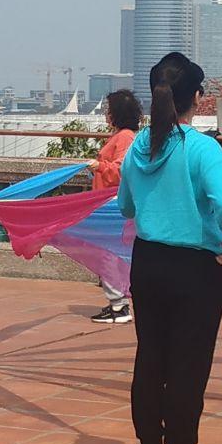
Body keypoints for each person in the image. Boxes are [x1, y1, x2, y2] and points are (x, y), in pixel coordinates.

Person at [117, 52, 222, 444]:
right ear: (196, 97)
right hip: (194, 267)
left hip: (148, 261)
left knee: (151, 358)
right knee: (188, 366)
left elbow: (126, 207)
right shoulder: (202, 149)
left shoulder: (138, 147)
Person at [89, 88, 143, 324]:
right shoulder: (123, 136)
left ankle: (119, 304)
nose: (105, 114)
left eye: (108, 110)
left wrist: (98, 167)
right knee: (110, 254)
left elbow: (122, 170)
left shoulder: (125, 138)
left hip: (111, 204)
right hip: (109, 203)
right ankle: (117, 302)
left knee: (107, 254)